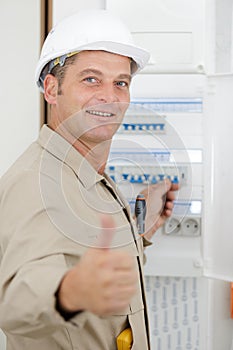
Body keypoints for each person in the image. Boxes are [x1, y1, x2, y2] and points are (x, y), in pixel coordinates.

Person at [0, 9, 178, 350]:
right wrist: (69, 293)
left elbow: (80, 253)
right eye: (91, 79)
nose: (109, 96)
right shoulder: (35, 184)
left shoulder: (88, 178)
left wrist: (139, 230)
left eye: (121, 83)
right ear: (52, 89)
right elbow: (15, 306)